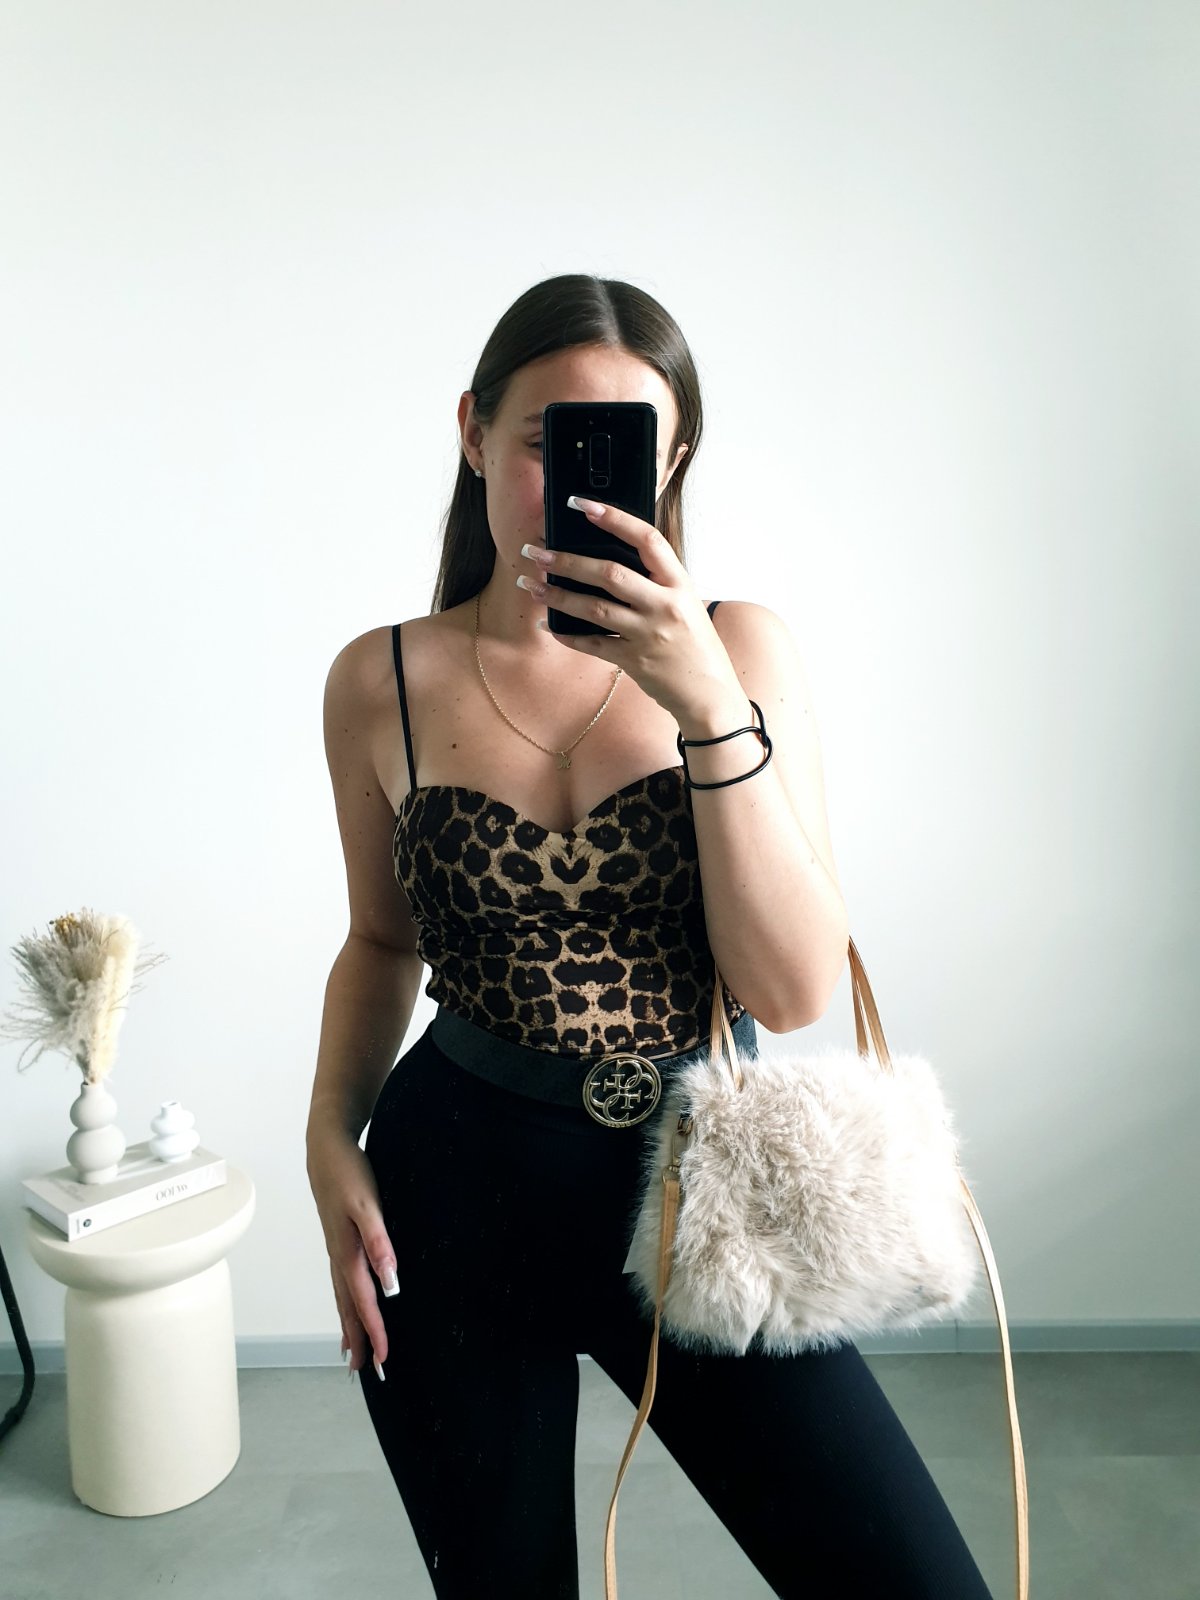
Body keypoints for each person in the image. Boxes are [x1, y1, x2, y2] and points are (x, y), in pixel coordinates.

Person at [305, 274, 994, 1599]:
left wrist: (707, 707)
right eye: (544, 440)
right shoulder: (379, 678)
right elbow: (380, 944)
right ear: (473, 432)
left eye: (623, 443)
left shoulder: (743, 650)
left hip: (703, 1193)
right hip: (448, 1194)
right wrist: (329, 1133)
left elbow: (790, 988)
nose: (578, 480)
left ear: (672, 460)